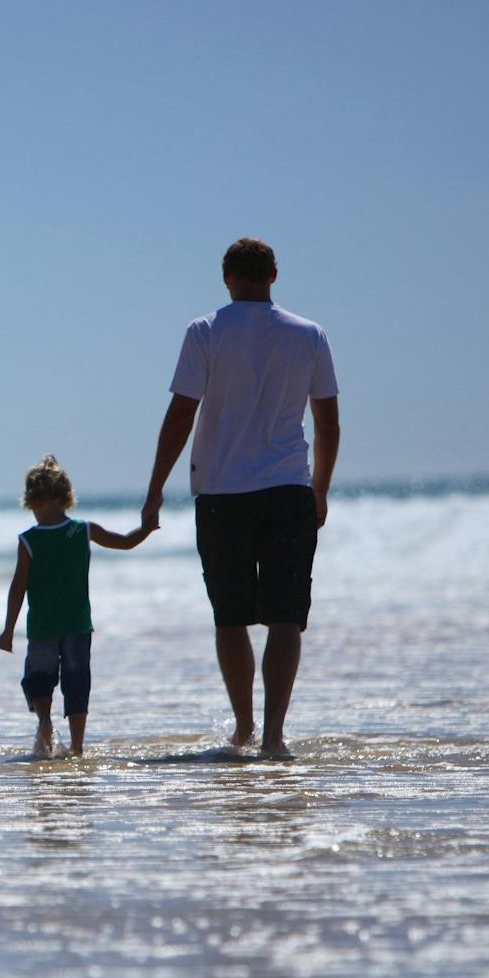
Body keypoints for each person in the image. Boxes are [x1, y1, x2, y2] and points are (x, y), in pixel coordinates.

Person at [141, 238, 341, 758]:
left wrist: (156, 487)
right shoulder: (309, 334)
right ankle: (274, 736)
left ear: (226, 277)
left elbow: (181, 415)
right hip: (287, 488)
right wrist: (319, 489)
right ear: (274, 274)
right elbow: (328, 423)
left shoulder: (206, 331)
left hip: (222, 493)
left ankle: (244, 728)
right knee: (285, 616)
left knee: (229, 617)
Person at [0, 455, 154, 758]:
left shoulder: (29, 540)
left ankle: (44, 721)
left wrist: (8, 630)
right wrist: (146, 529)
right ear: (66, 497)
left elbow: (18, 588)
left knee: (39, 680)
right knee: (77, 683)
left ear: (33, 501)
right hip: (77, 627)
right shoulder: (82, 530)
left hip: (42, 628)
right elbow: (124, 542)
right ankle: (77, 746)